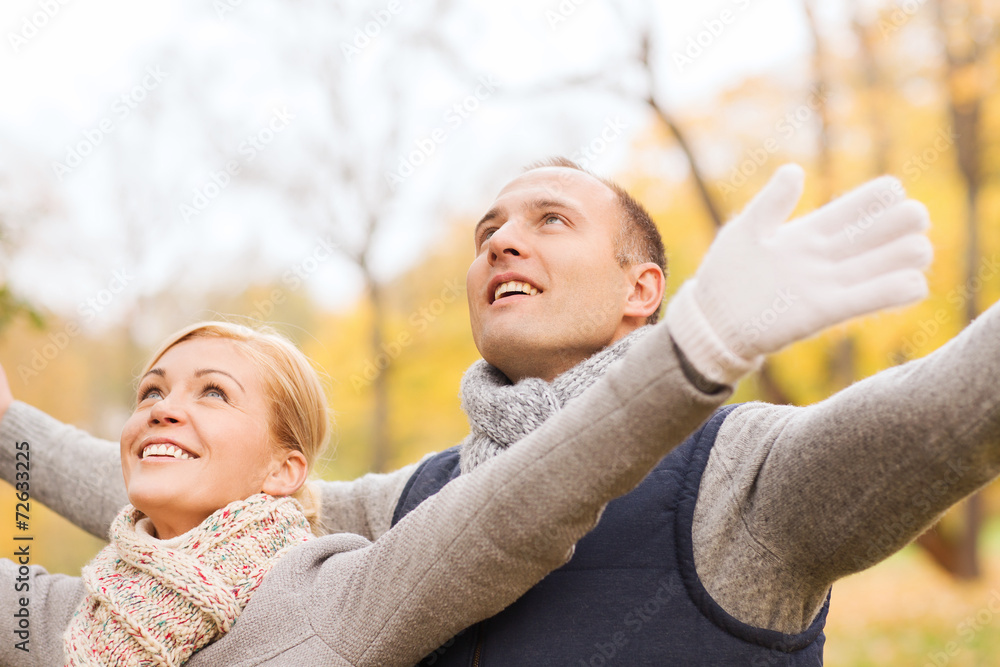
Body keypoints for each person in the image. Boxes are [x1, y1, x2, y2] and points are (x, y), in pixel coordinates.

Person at [3, 160, 992, 664]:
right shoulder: (410, 503)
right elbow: (195, 481)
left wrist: (712, 342)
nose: (502, 242)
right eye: (488, 231)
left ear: (641, 288)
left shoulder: (749, 476)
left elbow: (954, 408)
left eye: (548, 221)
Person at [2, 318, 732, 667]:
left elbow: (510, 511)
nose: (161, 407)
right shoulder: (73, 615)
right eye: (151, 391)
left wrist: (699, 356)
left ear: (283, 470)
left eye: (213, 392)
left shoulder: (331, 596)